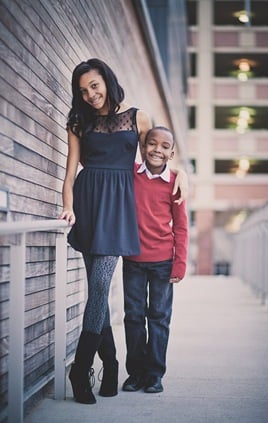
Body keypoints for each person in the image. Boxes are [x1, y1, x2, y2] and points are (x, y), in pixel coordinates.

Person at [59, 59, 188, 405]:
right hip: (87, 205)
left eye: (95, 86)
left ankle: (81, 366)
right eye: (83, 90)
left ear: (107, 81)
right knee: (97, 291)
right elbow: (70, 173)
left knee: (100, 286)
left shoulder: (136, 117)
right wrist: (68, 206)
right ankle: (112, 366)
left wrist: (182, 174)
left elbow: (156, 156)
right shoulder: (78, 121)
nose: (90, 94)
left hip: (118, 207)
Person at [122, 126, 188, 394]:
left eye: (163, 147)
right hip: (133, 259)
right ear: (142, 146)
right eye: (151, 144)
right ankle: (136, 373)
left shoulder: (176, 182)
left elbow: (181, 227)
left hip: (163, 262)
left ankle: (154, 374)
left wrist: (180, 263)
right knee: (134, 317)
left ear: (171, 153)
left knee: (159, 318)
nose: (156, 150)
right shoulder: (130, 175)